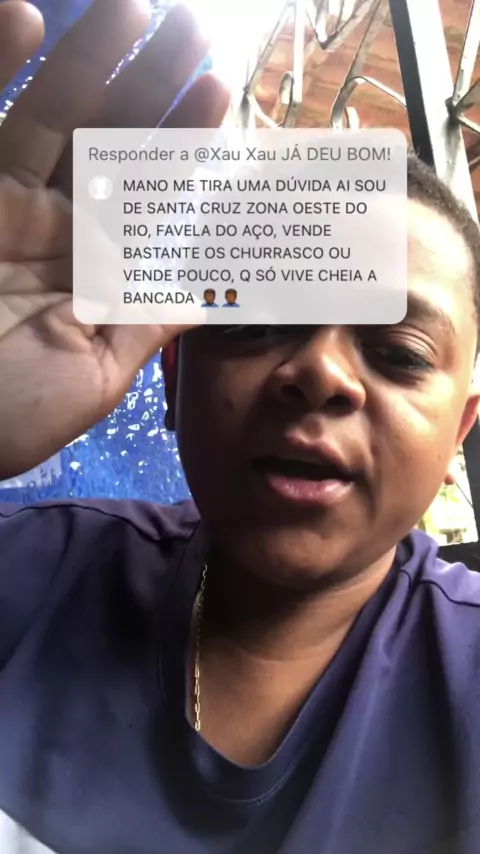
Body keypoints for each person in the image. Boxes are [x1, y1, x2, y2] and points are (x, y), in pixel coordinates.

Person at [1, 2, 480, 854]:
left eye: (399, 353)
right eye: (257, 321)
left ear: (458, 435)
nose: (321, 373)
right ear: (176, 372)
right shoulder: (28, 576)